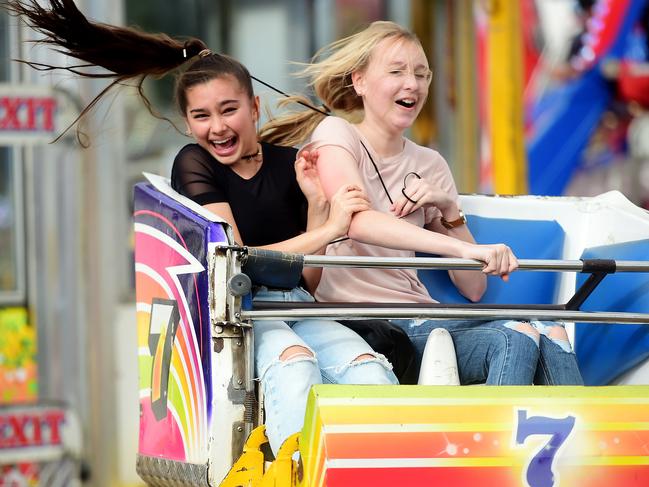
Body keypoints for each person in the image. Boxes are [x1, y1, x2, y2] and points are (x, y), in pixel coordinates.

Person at [5, 0, 399, 455]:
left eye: (229, 110)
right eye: (201, 116)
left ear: (254, 107)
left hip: (297, 306)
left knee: (368, 368)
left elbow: (307, 280)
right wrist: (329, 228)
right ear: (187, 122)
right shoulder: (194, 164)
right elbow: (237, 260)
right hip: (240, 313)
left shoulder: (292, 164)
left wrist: (315, 206)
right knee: (295, 366)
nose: (217, 128)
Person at [261, 21, 583, 386]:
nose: (412, 84)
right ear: (360, 81)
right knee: (517, 337)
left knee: (552, 330)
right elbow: (356, 220)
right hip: (370, 323)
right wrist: (463, 249)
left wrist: (449, 210)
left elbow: (473, 289)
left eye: (422, 74)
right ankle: (494, 441)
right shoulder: (336, 134)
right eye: (396, 71)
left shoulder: (431, 164)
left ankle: (587, 441)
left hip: (425, 316)